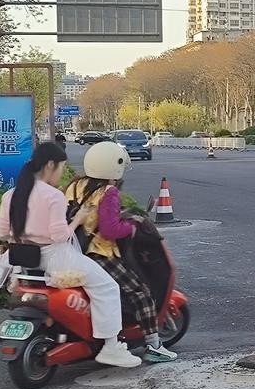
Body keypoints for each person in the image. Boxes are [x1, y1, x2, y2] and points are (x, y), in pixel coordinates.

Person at [0, 142, 140, 368]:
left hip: (21, 262)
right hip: (55, 258)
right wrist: (78, 219)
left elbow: (1, 233)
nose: (61, 173)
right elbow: (60, 236)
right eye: (61, 167)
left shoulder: (10, 195)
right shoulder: (53, 196)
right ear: (50, 165)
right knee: (107, 287)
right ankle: (111, 347)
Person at [66, 141, 177, 363]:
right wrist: (132, 227)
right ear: (114, 166)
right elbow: (110, 230)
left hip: (73, 251)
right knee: (140, 292)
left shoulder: (75, 185)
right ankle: (154, 345)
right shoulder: (108, 192)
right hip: (99, 253)